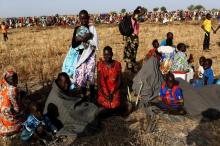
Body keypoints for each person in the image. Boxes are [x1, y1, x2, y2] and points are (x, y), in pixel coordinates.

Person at [62, 10, 98, 101]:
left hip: (90, 56)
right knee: (81, 78)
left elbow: (95, 44)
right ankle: (84, 97)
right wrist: (83, 38)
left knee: (91, 77)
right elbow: (74, 45)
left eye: (85, 18)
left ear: (88, 17)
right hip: (81, 56)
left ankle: (93, 97)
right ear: (79, 19)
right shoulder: (77, 29)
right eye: (82, 18)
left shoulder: (92, 28)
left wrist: (89, 38)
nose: (84, 20)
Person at [123, 6, 145, 72]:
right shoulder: (134, 18)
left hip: (129, 37)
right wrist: (140, 7)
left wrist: (136, 9)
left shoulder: (131, 18)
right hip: (133, 38)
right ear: (136, 14)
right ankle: (132, 68)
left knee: (128, 52)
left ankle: (129, 68)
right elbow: (143, 12)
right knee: (132, 53)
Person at [0, 70, 21, 136]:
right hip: (10, 121)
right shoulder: (12, 90)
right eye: (15, 79)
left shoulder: (2, 84)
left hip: (2, 115)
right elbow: (17, 109)